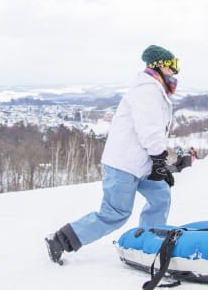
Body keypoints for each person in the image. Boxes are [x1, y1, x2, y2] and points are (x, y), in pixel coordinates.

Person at [45, 44, 179, 265]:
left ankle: (148, 244)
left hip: (142, 163)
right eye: (173, 66)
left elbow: (153, 132)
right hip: (124, 165)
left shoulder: (154, 88)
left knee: (160, 196)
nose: (176, 71)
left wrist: (160, 164)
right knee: (115, 213)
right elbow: (150, 128)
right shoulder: (147, 89)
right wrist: (158, 159)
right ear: (160, 66)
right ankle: (61, 240)